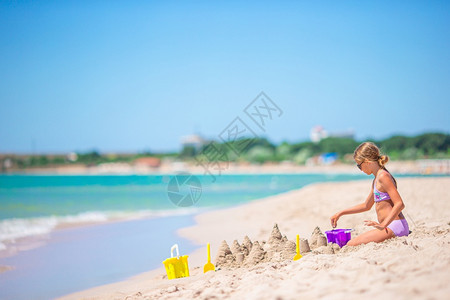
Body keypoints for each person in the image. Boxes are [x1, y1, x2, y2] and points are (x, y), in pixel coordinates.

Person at [330, 142, 409, 246]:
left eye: (359, 165)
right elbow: (366, 205)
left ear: (367, 162)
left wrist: (383, 225)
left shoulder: (383, 176)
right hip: (390, 225)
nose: (360, 169)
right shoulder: (376, 179)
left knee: (351, 244)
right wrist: (340, 213)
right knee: (352, 243)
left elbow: (399, 204)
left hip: (394, 226)